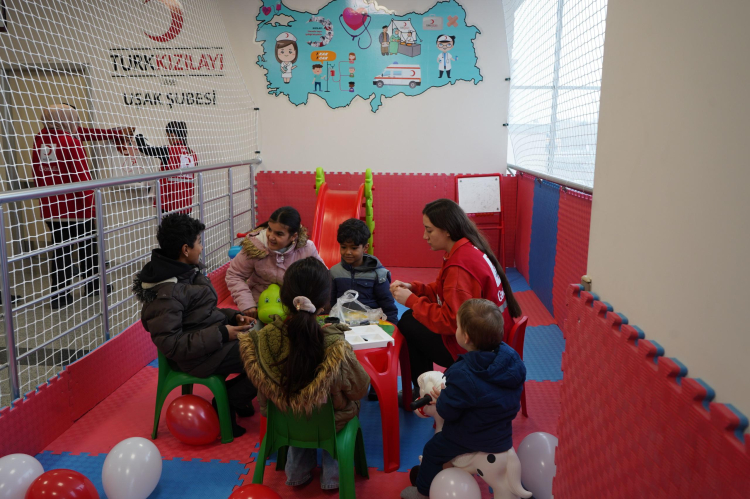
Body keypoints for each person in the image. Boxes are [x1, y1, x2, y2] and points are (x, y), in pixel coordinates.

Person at [239, 257, 370, 490]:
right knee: (336, 409)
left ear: (284, 299)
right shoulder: (335, 343)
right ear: (324, 303)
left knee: (298, 408)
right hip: (329, 423)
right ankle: (332, 478)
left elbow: (263, 398)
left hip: (284, 421)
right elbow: (360, 389)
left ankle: (296, 471)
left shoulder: (264, 338)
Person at [134, 213, 257, 436]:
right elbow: (173, 345)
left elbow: (202, 315)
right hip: (198, 357)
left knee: (269, 338)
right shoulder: (167, 292)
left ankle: (234, 396)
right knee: (270, 354)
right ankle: (229, 401)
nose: (201, 247)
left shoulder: (184, 272)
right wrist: (222, 333)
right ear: (185, 249)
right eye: (198, 242)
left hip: (210, 345)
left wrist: (233, 317)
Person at [390, 198, 522, 398]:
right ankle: (420, 388)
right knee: (413, 318)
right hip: (492, 335)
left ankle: (423, 391)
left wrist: (412, 301)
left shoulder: (459, 266)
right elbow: (444, 291)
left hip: (479, 346)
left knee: (409, 322)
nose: (425, 236)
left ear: (447, 230)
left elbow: (451, 321)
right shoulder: (467, 248)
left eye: (429, 230)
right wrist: (415, 289)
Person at [400, 299, 526, 499]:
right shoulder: (511, 359)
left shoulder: (462, 373)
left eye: (457, 326)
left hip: (471, 435)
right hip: (502, 433)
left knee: (432, 449)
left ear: (465, 337)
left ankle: (422, 492)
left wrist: (442, 398)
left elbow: (447, 412)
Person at [32, 104, 132, 309]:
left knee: (61, 251)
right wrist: (92, 207)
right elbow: (82, 179)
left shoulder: (40, 139)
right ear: (66, 120)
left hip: (51, 207)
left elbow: (37, 172)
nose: (77, 124)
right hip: (77, 208)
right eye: (75, 119)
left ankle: (60, 296)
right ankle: (93, 285)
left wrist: (114, 133)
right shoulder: (71, 142)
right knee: (88, 247)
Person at [226, 206, 325, 320]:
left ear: (293, 236)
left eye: (279, 234)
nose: (271, 237)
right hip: (260, 303)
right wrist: (247, 304)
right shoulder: (255, 246)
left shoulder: (306, 249)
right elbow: (234, 275)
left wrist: (309, 304)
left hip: (294, 305)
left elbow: (322, 277)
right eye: (269, 229)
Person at [330, 218, 398, 325]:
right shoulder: (334, 272)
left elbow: (388, 306)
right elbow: (330, 302)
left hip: (370, 324)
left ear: (365, 247)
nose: (348, 252)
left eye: (354, 248)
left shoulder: (378, 274)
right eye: (343, 247)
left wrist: (393, 327)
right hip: (342, 323)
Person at [135, 121, 197, 215]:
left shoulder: (168, 150)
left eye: (167, 136)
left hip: (170, 203)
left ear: (172, 135)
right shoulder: (192, 154)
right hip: (186, 203)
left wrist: (137, 135)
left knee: (168, 225)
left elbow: (144, 148)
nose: (168, 139)